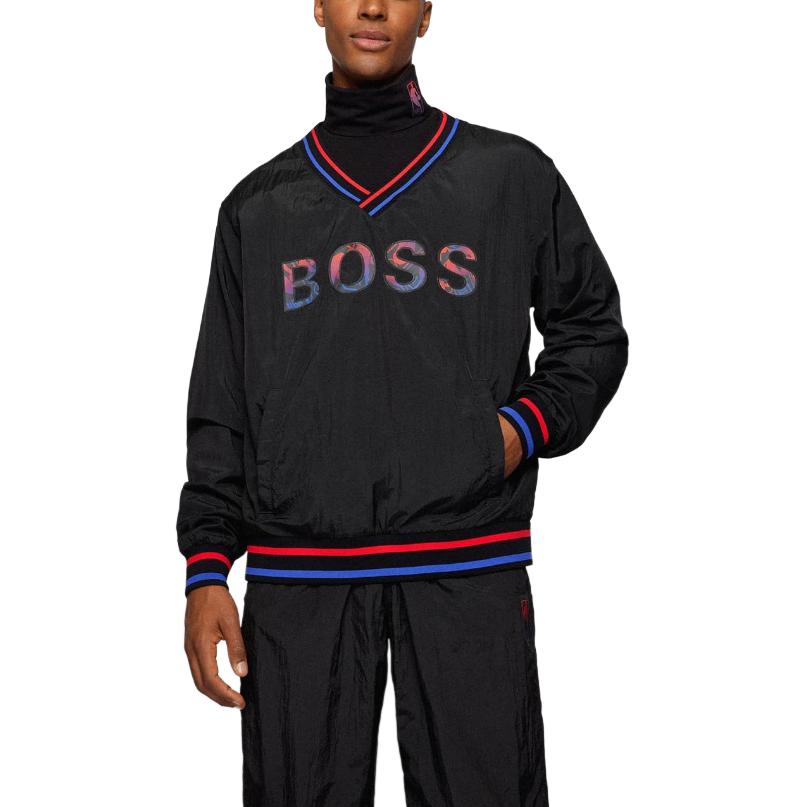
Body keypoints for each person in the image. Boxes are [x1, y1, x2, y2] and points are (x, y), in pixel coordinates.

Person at [177, 1, 629, 805]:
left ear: (426, 13)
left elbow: (591, 331)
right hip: (300, 575)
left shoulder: (508, 175)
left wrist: (513, 431)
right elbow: (222, 404)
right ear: (318, 6)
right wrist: (206, 567)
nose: (372, 7)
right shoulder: (257, 208)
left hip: (467, 561)